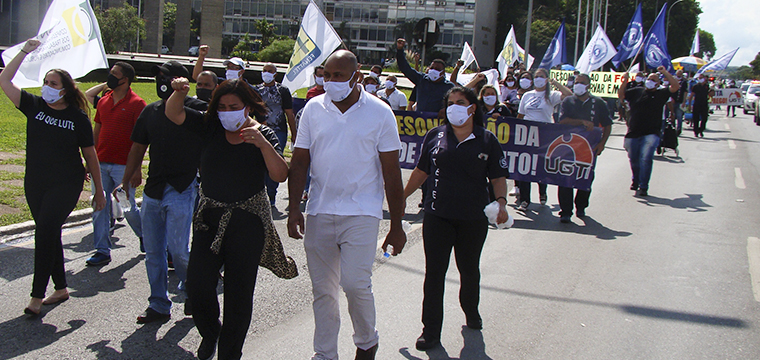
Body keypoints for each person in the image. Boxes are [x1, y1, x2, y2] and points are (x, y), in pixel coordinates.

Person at [165, 77, 296, 360]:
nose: (227, 112)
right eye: (222, 106)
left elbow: (279, 174)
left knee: (238, 296)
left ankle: (229, 353)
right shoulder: (208, 127)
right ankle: (211, 332)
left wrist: (262, 144)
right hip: (209, 219)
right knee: (198, 287)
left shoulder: (264, 134)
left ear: (247, 107)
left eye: (233, 106)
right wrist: (179, 92)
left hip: (247, 223)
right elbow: (174, 113)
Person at [287, 50, 407, 360]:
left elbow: (392, 175)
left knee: (355, 284)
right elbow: (299, 161)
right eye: (327, 74)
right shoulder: (313, 109)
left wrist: (396, 226)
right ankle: (325, 353)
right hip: (319, 210)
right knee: (323, 290)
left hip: (362, 212)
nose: (331, 81)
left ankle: (367, 341)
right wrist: (294, 209)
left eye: (338, 75)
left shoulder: (380, 113)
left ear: (357, 76)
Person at [0, 39, 106, 315]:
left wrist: (99, 189)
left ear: (67, 90)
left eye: (54, 83)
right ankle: (60, 288)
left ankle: (37, 295)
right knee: (49, 232)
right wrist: (24, 52)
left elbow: (90, 155)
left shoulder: (78, 117)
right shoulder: (33, 105)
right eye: (46, 81)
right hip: (35, 181)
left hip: (66, 183)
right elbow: (4, 79)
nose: (48, 86)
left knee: (44, 231)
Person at [403, 86, 510, 350]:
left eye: (460, 102)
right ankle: (430, 331)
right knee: (434, 274)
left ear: (472, 108)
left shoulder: (487, 140)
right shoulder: (435, 136)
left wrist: (501, 202)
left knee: (469, 270)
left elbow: (497, 178)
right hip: (438, 217)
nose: (453, 107)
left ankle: (471, 312)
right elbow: (420, 172)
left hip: (472, 219)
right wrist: (400, 198)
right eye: (450, 102)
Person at [122, 60, 208, 324]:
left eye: (166, 77)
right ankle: (159, 303)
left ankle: (194, 289)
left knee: (178, 250)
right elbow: (137, 146)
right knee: (154, 251)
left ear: (180, 80)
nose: (161, 81)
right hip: (153, 190)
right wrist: (126, 180)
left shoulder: (197, 109)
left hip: (182, 189)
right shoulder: (150, 111)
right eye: (158, 77)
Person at [85, 62, 146, 266]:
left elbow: (141, 140)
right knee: (99, 206)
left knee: (127, 207)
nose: (110, 77)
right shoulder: (103, 101)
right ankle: (102, 250)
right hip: (101, 163)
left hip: (124, 167)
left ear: (125, 79)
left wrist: (136, 169)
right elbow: (97, 130)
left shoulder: (138, 104)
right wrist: (90, 158)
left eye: (114, 75)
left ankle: (144, 235)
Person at [556, 74, 612, 223]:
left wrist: (602, 143)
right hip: (568, 147)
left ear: (588, 85)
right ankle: (566, 211)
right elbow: (562, 121)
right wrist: (581, 121)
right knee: (565, 177)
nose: (578, 85)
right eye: (577, 82)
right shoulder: (568, 101)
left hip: (589, 148)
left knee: (585, 177)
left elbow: (607, 124)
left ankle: (581, 206)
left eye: (582, 83)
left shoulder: (599, 103)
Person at [618, 66, 679, 196]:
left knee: (646, 158)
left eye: (654, 80)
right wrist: (624, 81)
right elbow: (621, 95)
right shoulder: (637, 91)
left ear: (658, 84)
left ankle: (644, 186)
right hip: (633, 131)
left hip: (651, 132)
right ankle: (636, 179)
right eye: (649, 79)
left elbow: (675, 86)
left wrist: (664, 73)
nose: (650, 81)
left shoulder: (661, 94)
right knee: (633, 158)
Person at [516, 68, 571, 210]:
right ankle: (525, 199)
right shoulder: (527, 95)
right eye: (536, 76)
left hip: (544, 135)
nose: (538, 79)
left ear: (546, 79)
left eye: (541, 76)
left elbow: (568, 95)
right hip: (526, 135)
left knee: (540, 166)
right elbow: (520, 116)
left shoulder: (551, 95)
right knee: (525, 167)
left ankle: (542, 192)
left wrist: (555, 83)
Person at [254, 63, 296, 207]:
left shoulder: (282, 90)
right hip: (260, 130)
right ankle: (260, 193)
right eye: (264, 71)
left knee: (274, 161)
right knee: (260, 162)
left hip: (279, 131)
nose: (266, 73)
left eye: (269, 71)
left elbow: (289, 114)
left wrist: (294, 134)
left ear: (275, 74)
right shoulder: (256, 90)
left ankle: (271, 195)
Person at [396, 38, 454, 112]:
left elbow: (454, 103)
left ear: (442, 72)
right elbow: (405, 68)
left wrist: (445, 109)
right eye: (432, 68)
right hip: (421, 120)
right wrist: (400, 50)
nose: (433, 70)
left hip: (438, 120)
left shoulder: (449, 87)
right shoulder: (422, 80)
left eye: (437, 69)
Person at [688, 73, 714, 138]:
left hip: (704, 104)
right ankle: (696, 131)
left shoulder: (707, 86)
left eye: (702, 78)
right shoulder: (695, 86)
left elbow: (711, 94)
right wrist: (689, 105)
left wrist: (712, 89)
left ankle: (701, 129)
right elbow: (691, 96)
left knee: (704, 118)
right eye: (699, 78)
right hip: (697, 104)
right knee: (695, 119)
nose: (700, 79)